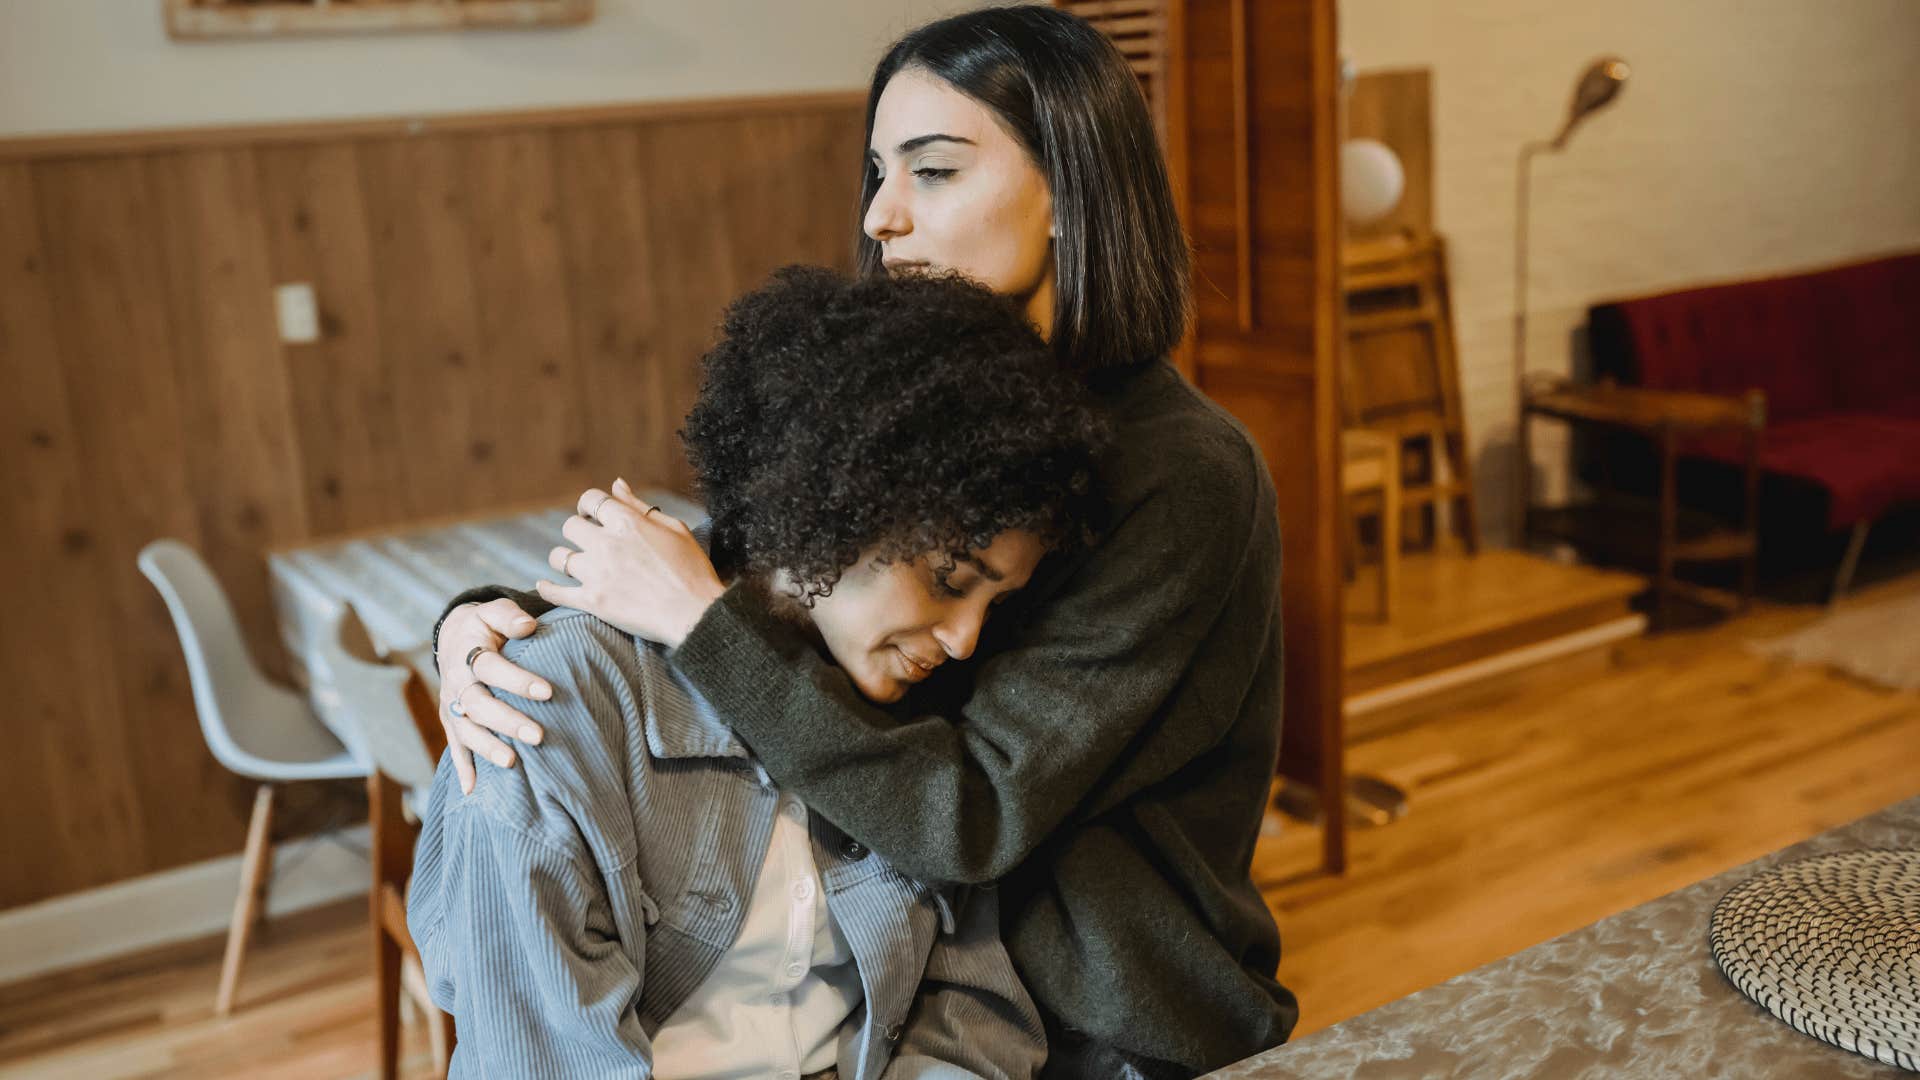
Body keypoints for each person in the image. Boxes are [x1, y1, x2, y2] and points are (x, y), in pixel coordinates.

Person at [430, 6, 1298, 1075]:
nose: (883, 216)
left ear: (1072, 191)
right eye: (875, 174)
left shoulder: (1186, 476)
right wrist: (489, 623)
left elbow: (967, 817)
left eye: (932, 171)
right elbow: (780, 571)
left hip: (1105, 1028)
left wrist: (699, 623)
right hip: (924, 989)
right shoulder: (937, 417)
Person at [410, 267, 1108, 1079]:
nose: (963, 639)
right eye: (949, 581)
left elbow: (971, 1009)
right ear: (830, 503)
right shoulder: (547, 706)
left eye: (996, 602)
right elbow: (544, 1060)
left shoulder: (918, 705)